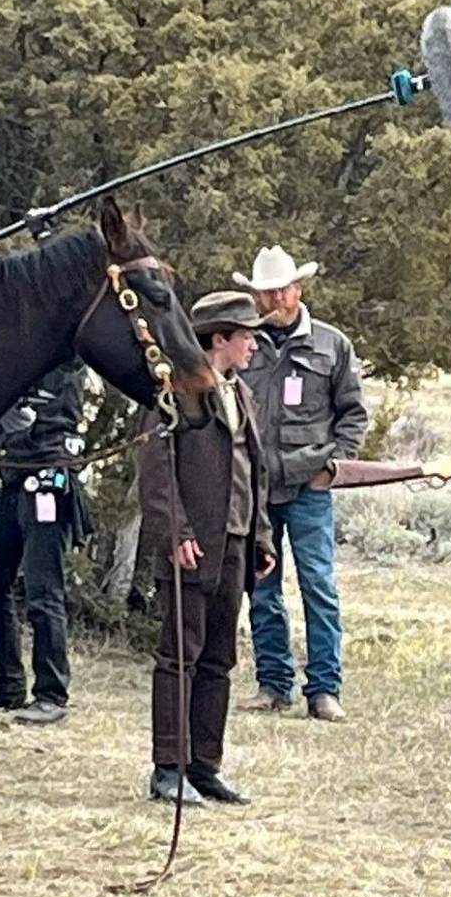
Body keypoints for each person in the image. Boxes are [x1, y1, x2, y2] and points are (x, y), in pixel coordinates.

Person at [139, 290, 276, 805]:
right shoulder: (172, 391)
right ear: (220, 339)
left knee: (219, 658)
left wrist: (260, 534)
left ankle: (203, 767)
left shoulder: (242, 394)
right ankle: (167, 769)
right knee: (179, 656)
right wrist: (175, 532)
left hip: (235, 543)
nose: (255, 347)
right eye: (247, 337)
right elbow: (154, 472)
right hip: (191, 548)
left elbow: (253, 472)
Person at [234, 246, 367, 722]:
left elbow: (353, 414)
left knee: (318, 586)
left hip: (309, 488)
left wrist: (333, 466)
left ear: (297, 290)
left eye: (277, 289)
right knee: (262, 589)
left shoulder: (332, 345)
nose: (270, 298)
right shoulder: (243, 343)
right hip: (258, 489)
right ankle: (273, 685)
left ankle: (325, 690)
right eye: (262, 291)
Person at [0, 360, 92, 725]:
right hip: (14, 472)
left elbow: (61, 417)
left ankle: (52, 693)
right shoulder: (22, 347)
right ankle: (6, 682)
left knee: (45, 590)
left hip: (48, 475)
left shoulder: (66, 358)